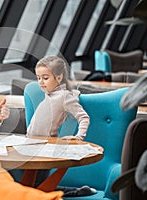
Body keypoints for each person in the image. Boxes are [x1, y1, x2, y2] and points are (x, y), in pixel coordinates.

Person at [27, 55, 96, 197]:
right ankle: (78, 191)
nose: (40, 82)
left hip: (46, 150)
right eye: (38, 78)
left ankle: (78, 192)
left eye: (45, 78)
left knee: (38, 189)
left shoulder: (64, 96)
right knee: (36, 187)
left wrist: (78, 137)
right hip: (32, 146)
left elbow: (84, 117)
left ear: (59, 78)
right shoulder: (49, 94)